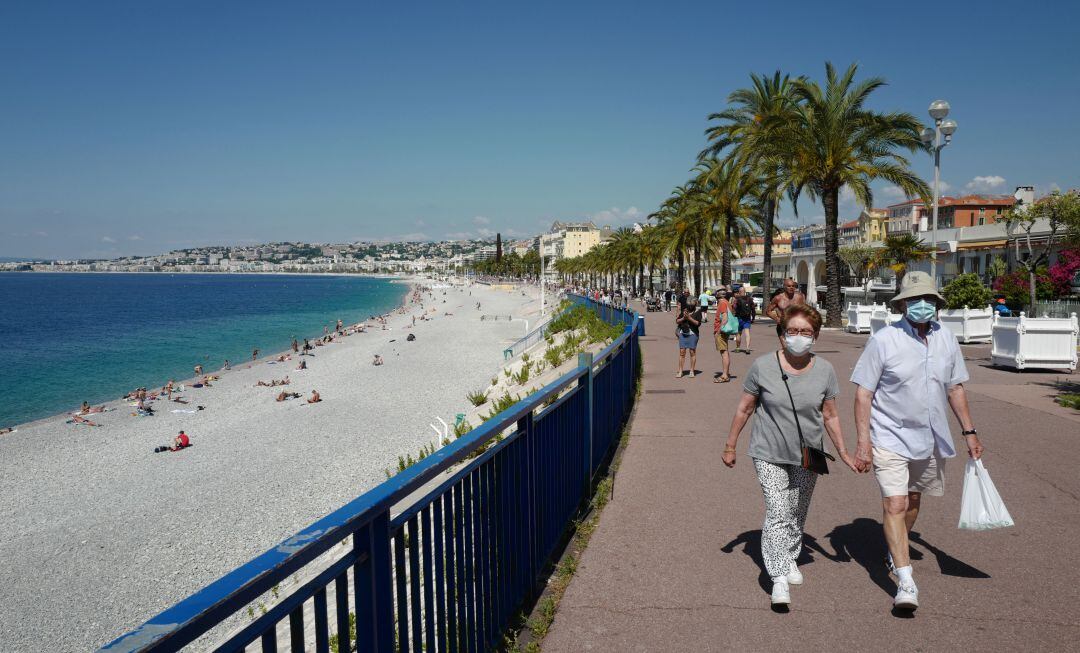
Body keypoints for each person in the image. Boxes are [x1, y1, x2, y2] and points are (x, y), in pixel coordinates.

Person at [850, 271, 984, 611]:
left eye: (927, 299)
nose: (921, 305)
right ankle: (906, 581)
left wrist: (969, 432)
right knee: (894, 504)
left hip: (929, 437)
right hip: (889, 435)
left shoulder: (947, 339)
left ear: (937, 304)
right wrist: (863, 443)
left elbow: (955, 388)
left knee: (912, 501)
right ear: (902, 305)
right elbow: (863, 394)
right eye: (914, 299)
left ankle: (897, 548)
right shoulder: (884, 340)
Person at [722, 304, 857, 606]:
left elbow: (831, 416)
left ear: (816, 336)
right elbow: (745, 408)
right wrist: (730, 445)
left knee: (798, 510)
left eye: (806, 332)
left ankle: (790, 555)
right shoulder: (762, 366)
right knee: (778, 510)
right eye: (793, 331)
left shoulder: (825, 370)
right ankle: (779, 576)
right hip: (768, 451)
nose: (799, 336)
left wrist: (844, 452)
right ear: (782, 335)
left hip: (810, 452)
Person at [675, 297, 702, 378]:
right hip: (683, 333)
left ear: (695, 304)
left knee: (692, 352)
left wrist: (689, 318)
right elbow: (677, 321)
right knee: (682, 352)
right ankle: (680, 371)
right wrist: (683, 318)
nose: (690, 307)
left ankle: (692, 371)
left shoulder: (698, 311)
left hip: (693, 334)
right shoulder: (684, 310)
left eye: (692, 305)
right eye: (689, 305)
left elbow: (698, 323)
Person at [712, 290, 733, 383]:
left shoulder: (722, 303)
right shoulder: (727, 302)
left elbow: (724, 318)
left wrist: (718, 331)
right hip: (725, 331)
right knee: (725, 352)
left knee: (724, 352)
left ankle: (725, 375)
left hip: (721, 331)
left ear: (718, 295)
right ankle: (726, 373)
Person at [733, 286, 756, 354]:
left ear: (739, 292)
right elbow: (753, 309)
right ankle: (747, 348)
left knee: (738, 334)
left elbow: (734, 308)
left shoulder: (737, 299)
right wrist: (753, 318)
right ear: (745, 291)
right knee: (747, 334)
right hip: (747, 318)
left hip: (739, 318)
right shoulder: (750, 299)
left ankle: (737, 348)